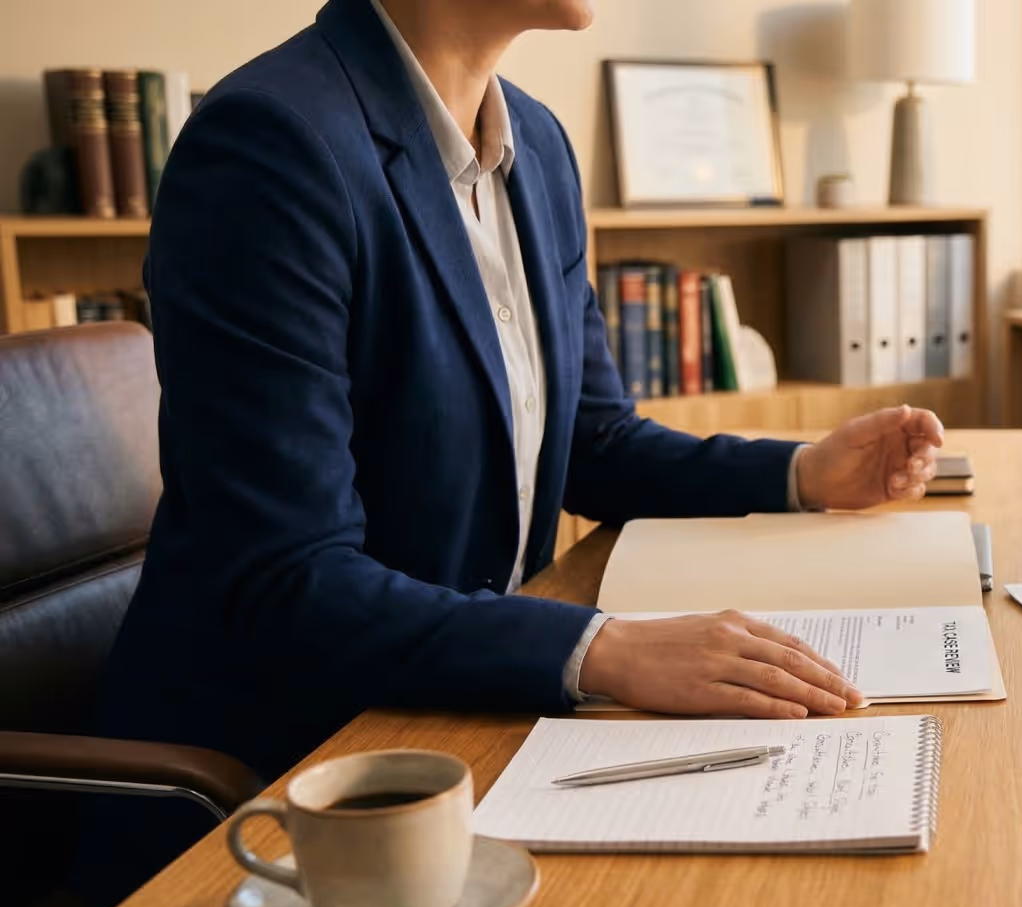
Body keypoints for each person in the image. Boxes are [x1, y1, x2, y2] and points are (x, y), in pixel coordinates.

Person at [98, 0, 943, 792]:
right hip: (284, 772)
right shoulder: (270, 146)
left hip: (464, 715)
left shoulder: (535, 143)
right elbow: (291, 578)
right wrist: (606, 649)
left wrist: (800, 473)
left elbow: (593, 441)